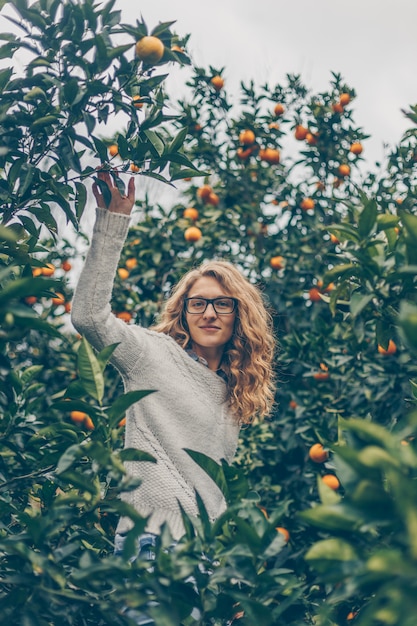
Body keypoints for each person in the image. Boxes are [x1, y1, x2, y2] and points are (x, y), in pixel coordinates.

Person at [71, 170, 276, 552]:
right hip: (150, 542)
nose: (209, 313)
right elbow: (89, 317)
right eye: (198, 303)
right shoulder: (152, 354)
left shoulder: (235, 390)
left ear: (239, 315)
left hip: (204, 554)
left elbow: (210, 487)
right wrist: (112, 224)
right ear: (183, 312)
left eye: (222, 304)